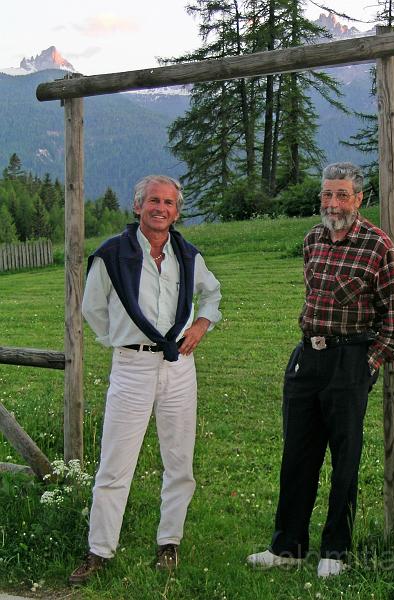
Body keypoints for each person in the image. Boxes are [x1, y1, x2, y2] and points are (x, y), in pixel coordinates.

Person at [247, 162, 394, 578]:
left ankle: (335, 552)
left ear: (358, 199)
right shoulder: (313, 238)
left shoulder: (378, 246)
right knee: (297, 456)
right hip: (306, 357)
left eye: (341, 195)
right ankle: (288, 547)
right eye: (327, 194)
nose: (332, 203)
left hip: (349, 360)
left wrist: (366, 365)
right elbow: (311, 293)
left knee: (345, 459)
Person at [69, 175, 222, 584]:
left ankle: (168, 542)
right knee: (115, 465)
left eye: (169, 203)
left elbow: (212, 294)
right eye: (153, 201)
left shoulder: (187, 255)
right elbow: (93, 308)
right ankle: (99, 551)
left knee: (179, 462)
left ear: (177, 211)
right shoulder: (111, 255)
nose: (161, 208)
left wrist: (201, 325)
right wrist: (122, 340)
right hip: (132, 368)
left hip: (178, 368)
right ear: (138, 207)